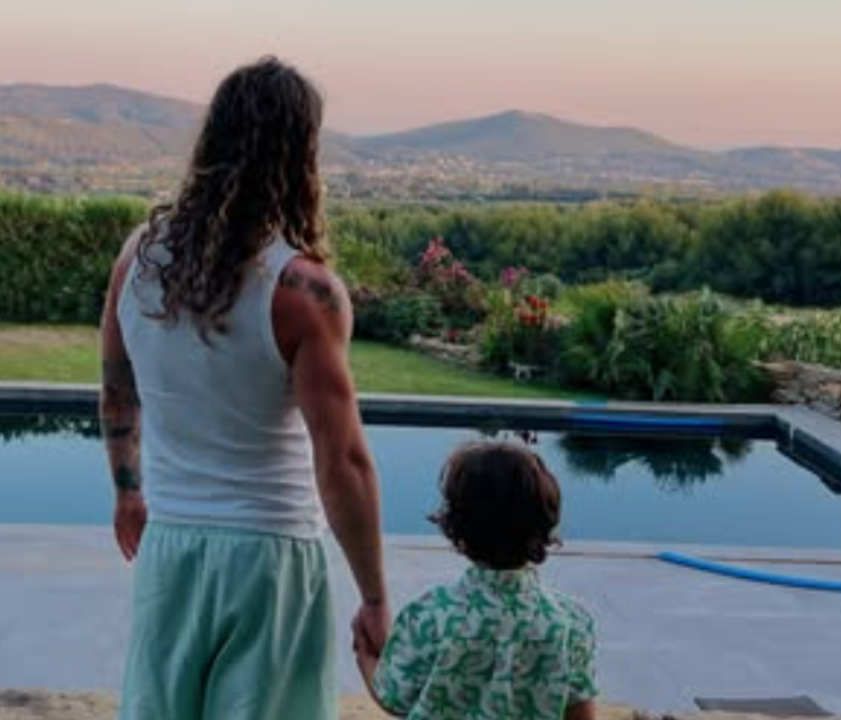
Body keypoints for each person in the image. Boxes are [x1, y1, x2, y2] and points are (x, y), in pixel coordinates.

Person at [99, 56, 389, 720]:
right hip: (271, 560)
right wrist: (373, 595)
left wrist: (128, 493)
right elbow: (340, 457)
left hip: (171, 548)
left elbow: (118, 395)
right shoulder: (304, 291)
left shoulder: (137, 259)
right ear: (301, 154)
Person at [354, 442, 597, 720]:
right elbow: (581, 715)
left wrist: (365, 657)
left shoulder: (430, 615)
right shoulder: (571, 622)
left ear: (458, 529)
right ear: (544, 524)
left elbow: (393, 697)